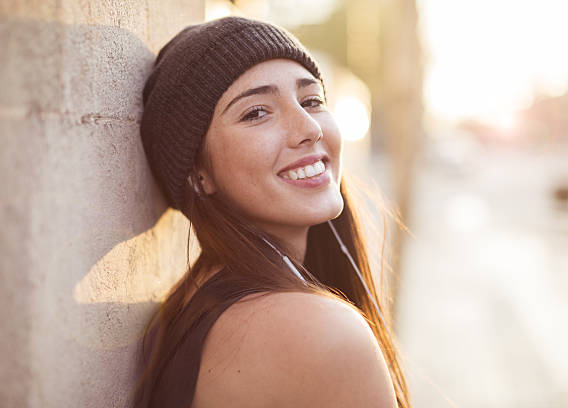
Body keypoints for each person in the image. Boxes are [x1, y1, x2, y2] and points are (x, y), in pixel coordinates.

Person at [133, 16, 410, 408]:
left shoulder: (195, 303)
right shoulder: (317, 329)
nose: (309, 127)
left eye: (312, 100)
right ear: (199, 173)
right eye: (256, 113)